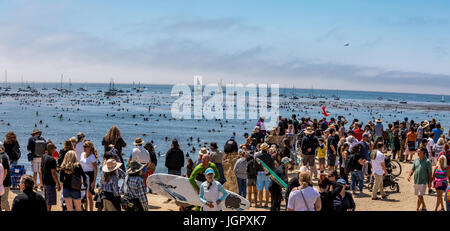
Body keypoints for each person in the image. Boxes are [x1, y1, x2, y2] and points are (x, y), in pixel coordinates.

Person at [40, 143, 61, 211]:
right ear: (52, 149)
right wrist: (58, 184)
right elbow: (53, 174)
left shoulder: (43, 156)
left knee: (46, 200)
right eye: (54, 148)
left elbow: (41, 169)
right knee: (49, 202)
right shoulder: (52, 159)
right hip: (50, 182)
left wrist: (41, 181)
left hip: (44, 181)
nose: (55, 149)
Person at [79, 140, 98, 211]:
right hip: (82, 175)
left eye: (86, 146)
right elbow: (80, 165)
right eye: (84, 146)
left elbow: (96, 170)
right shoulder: (82, 154)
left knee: (89, 195)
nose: (84, 148)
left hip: (90, 176)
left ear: (90, 148)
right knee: (84, 195)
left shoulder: (92, 157)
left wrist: (94, 182)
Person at [255, 143, 275, 208]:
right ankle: (266, 204)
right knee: (267, 190)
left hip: (260, 173)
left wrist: (256, 173)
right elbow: (272, 167)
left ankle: (260, 204)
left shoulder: (257, 155)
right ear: (266, 148)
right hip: (267, 173)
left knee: (260, 190)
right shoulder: (270, 156)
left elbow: (254, 166)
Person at [0, 142, 11, 211]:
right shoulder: (4, 155)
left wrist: (1, 182)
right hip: (3, 182)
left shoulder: (3, 157)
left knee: (4, 201)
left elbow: (5, 171)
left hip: (5, 183)